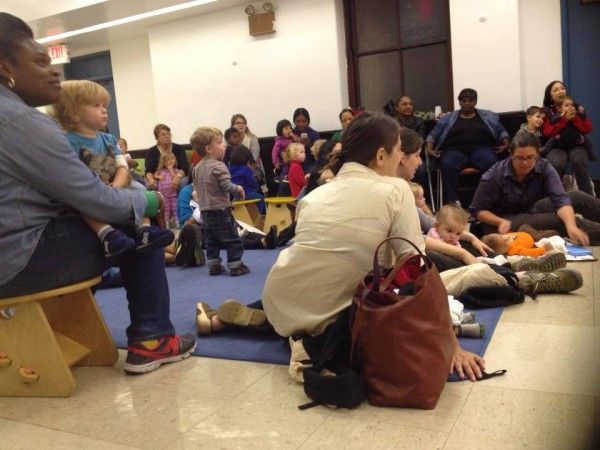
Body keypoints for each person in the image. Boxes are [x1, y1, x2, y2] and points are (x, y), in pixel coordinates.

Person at [0, 12, 195, 373]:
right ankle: (152, 339)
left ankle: (73, 328)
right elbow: (96, 200)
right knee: (142, 231)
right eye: (41, 61)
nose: (54, 70)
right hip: (16, 263)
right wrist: (147, 200)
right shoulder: (20, 121)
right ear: (4, 67)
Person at [261, 112, 486, 381]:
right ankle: (318, 343)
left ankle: (283, 329)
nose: (402, 159)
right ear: (381, 156)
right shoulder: (396, 189)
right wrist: (452, 346)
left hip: (279, 304)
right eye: (400, 152)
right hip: (338, 317)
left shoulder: (315, 195)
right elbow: (418, 270)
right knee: (444, 280)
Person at [51, 79, 174, 258]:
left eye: (104, 105)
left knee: (139, 189)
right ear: (74, 112)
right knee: (83, 204)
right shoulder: (69, 141)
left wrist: (115, 187)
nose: (104, 109)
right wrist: (101, 188)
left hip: (118, 185)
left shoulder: (108, 139)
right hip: (90, 188)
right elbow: (73, 173)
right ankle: (107, 235)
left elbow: (122, 167)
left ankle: (144, 230)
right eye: (96, 105)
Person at [470, 130, 600, 246]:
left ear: (538, 154)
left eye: (530, 157)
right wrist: (499, 221)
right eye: (519, 158)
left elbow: (560, 199)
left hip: (529, 209)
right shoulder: (495, 175)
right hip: (502, 221)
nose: (525, 163)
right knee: (560, 221)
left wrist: (570, 225)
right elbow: (477, 210)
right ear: (511, 155)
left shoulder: (544, 167)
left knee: (577, 197)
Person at [426, 88, 509, 205]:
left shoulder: (487, 116)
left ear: (475, 102)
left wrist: (505, 144)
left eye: (471, 100)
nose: (467, 103)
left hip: (481, 148)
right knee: (447, 163)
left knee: (490, 161)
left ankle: (489, 200)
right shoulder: (448, 118)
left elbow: (500, 131)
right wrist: (430, 149)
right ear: (459, 102)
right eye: (464, 100)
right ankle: (452, 203)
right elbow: (433, 134)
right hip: (454, 150)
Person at [190, 126, 250, 276]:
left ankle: (214, 265)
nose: (224, 145)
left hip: (204, 211)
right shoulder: (219, 166)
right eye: (220, 142)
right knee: (233, 239)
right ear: (209, 149)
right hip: (220, 210)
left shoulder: (197, 168)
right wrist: (239, 189)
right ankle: (236, 265)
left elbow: (195, 189)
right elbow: (226, 185)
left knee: (211, 240)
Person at [543, 95, 594, 195]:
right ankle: (553, 195)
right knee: (555, 163)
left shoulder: (578, 116)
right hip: (558, 147)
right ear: (559, 108)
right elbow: (548, 132)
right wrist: (565, 119)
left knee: (578, 161)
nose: (570, 107)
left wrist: (575, 119)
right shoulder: (555, 117)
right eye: (566, 105)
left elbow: (588, 129)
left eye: (572, 105)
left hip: (577, 146)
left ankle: (588, 196)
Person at [145, 123, 190, 191]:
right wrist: (151, 180)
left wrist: (177, 177)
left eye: (168, 134)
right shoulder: (151, 151)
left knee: (182, 183)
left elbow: (184, 168)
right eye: (163, 134)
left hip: (177, 175)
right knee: (150, 185)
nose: (167, 136)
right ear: (157, 138)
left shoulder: (179, 148)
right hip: (159, 178)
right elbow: (148, 171)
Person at [230, 113, 265, 186]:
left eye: (243, 123)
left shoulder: (252, 138)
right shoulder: (230, 140)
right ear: (233, 126)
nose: (241, 125)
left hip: (252, 170)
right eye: (238, 123)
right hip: (235, 171)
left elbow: (254, 158)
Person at [229, 145, 265, 213]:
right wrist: (256, 186)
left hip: (235, 194)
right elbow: (252, 182)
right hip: (247, 193)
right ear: (246, 158)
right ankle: (256, 216)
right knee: (260, 198)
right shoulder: (245, 169)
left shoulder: (230, 168)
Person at [154, 152, 184, 228]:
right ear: (163, 162)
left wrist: (171, 169)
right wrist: (159, 177)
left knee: (175, 208)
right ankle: (166, 222)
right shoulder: (161, 170)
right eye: (167, 160)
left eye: (172, 159)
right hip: (164, 194)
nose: (170, 161)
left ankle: (177, 221)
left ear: (175, 160)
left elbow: (175, 178)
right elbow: (155, 174)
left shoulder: (176, 171)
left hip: (173, 194)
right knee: (166, 209)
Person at [292, 107, 319, 172]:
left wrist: (310, 145)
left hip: (310, 163)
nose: (301, 124)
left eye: (304, 121)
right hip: (293, 164)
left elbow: (319, 155)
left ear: (308, 121)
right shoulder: (291, 134)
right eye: (298, 121)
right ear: (294, 122)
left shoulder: (314, 134)